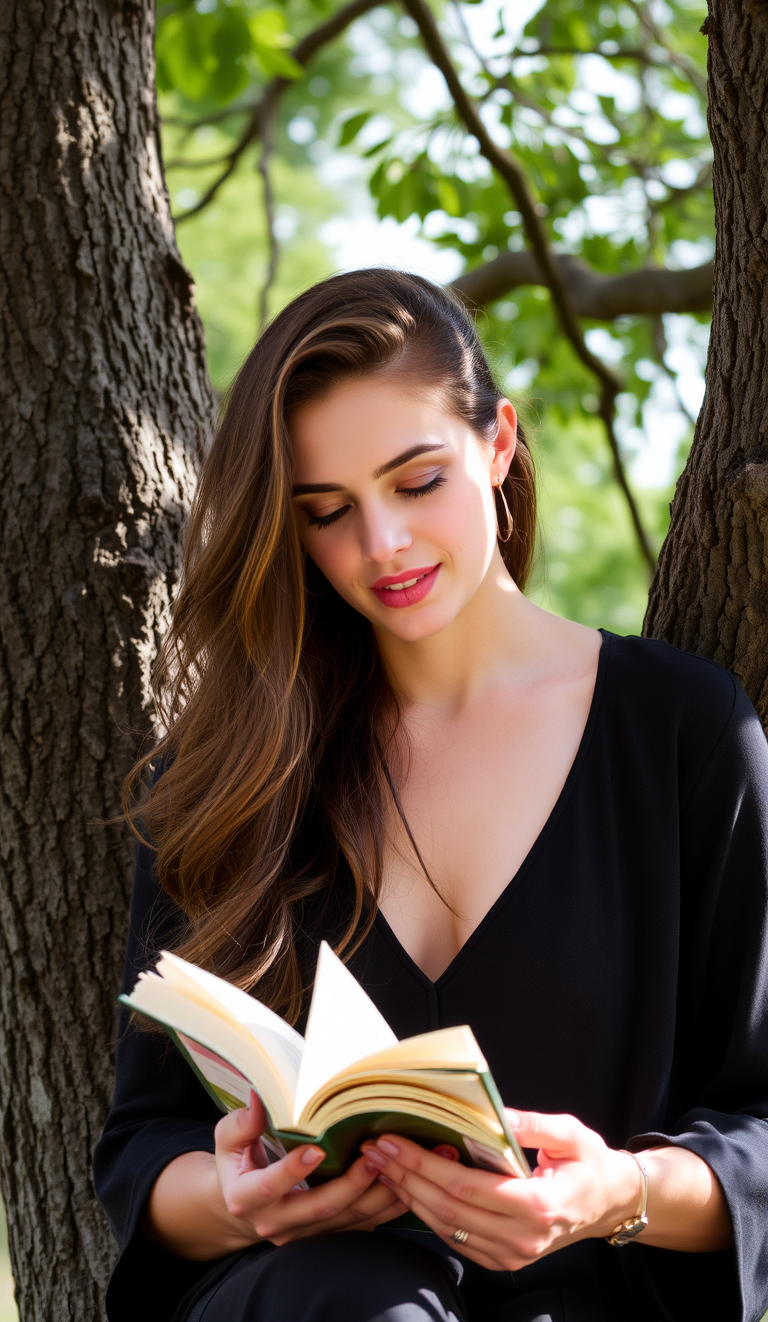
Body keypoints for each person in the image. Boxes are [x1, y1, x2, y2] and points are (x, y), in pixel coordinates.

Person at [94, 269, 768, 1322]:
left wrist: (613, 1195)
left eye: (417, 483)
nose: (382, 547)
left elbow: (762, 1115)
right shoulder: (224, 777)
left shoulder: (684, 732)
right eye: (327, 513)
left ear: (498, 445)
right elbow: (145, 1149)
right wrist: (238, 1202)